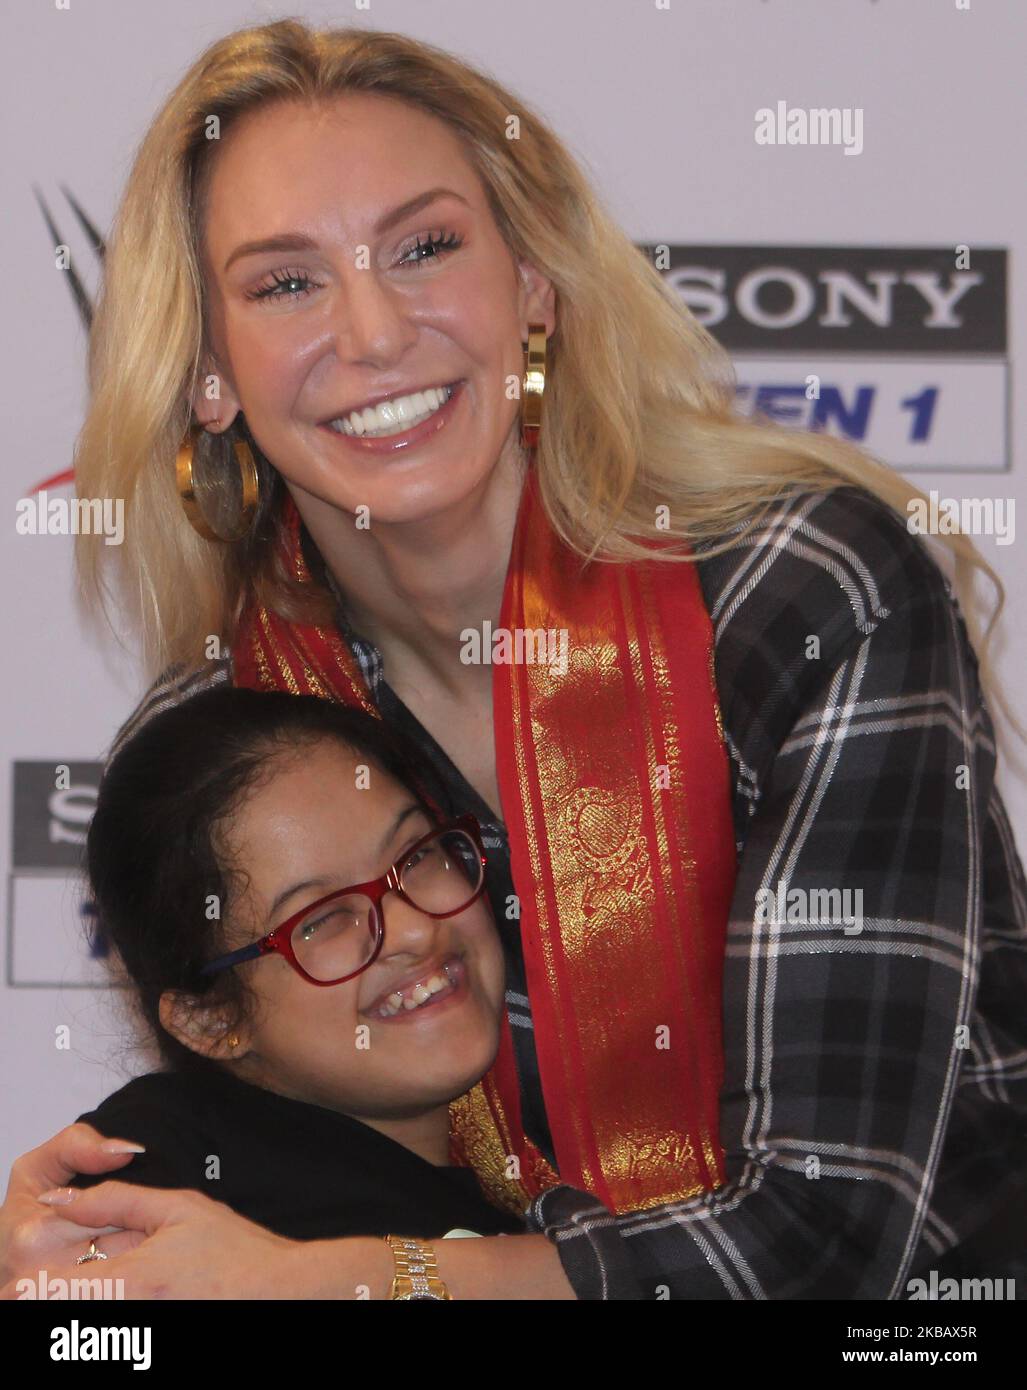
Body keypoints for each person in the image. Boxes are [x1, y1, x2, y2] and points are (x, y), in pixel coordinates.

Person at [2, 19, 1025, 1300]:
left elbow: (824, 1249)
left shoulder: (802, 594)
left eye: (425, 247)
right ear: (209, 372)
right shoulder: (242, 720)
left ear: (532, 282)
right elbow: (261, 1159)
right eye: (285, 283)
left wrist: (353, 1289)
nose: (373, 332)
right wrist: (91, 1232)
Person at [68, 687, 528, 1271]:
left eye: (416, 856)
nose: (412, 931)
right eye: (323, 919)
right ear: (210, 1019)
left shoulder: (538, 1213)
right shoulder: (156, 1178)